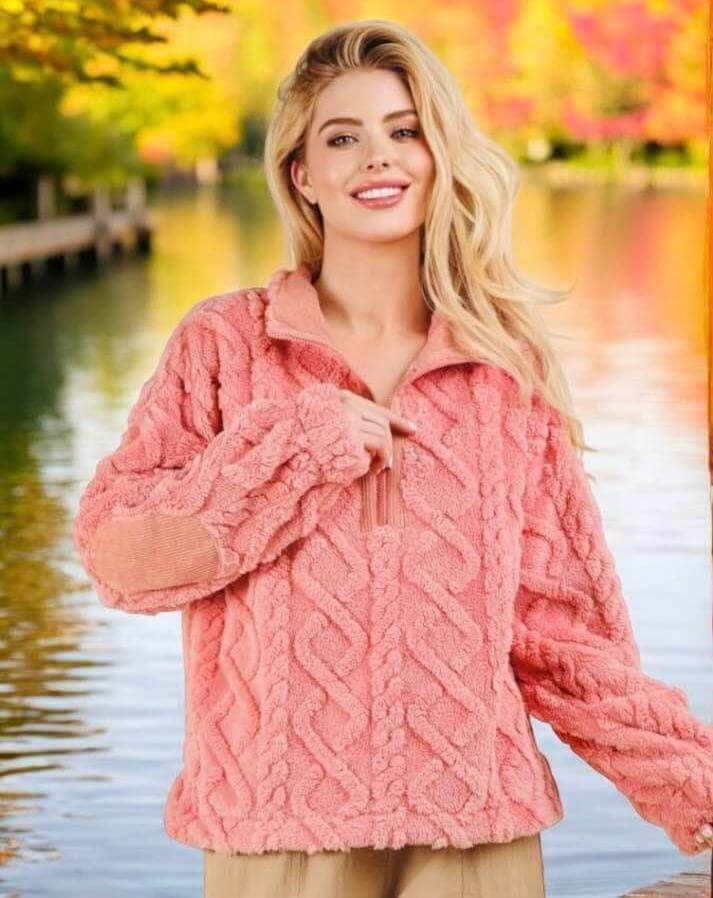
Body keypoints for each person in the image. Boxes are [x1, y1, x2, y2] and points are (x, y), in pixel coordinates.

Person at [72, 18, 713, 898]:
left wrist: (686, 780)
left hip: (474, 831)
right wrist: (292, 451)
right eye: (344, 137)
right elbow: (120, 562)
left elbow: (561, 633)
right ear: (303, 174)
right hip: (279, 832)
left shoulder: (502, 368)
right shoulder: (225, 345)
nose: (379, 157)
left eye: (403, 131)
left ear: (439, 153)